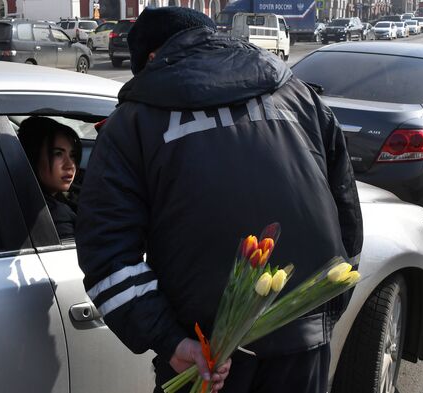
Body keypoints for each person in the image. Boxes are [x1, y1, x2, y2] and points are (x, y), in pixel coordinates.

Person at [75, 6, 362, 393]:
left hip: (209, 361)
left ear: (153, 59)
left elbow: (107, 253)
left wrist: (171, 341)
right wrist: (321, 311)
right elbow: (346, 209)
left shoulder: (134, 123)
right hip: (304, 348)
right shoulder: (296, 94)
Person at [18, 116, 81, 239]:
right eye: (58, 154)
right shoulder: (56, 216)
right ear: (33, 157)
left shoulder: (15, 196)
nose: (70, 165)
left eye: (72, 155)